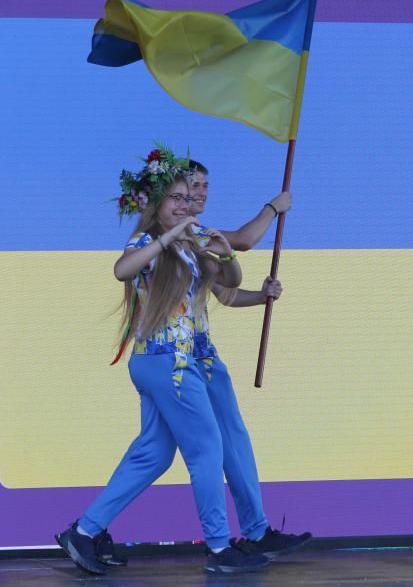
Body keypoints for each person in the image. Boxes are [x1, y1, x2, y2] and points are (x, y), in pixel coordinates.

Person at [55, 145, 271, 575]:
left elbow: (227, 286)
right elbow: (121, 270)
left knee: (152, 455)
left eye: (187, 199)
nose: (185, 204)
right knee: (207, 448)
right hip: (167, 364)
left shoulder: (188, 247)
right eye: (176, 198)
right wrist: (168, 237)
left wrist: (230, 260)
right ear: (156, 203)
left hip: (169, 363)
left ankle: (84, 531)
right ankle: (217, 545)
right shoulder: (147, 241)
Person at [187, 160, 313, 560]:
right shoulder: (178, 234)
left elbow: (223, 293)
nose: (202, 192)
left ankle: (256, 531)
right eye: (193, 185)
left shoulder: (197, 233)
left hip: (203, 355)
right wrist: (273, 208)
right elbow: (243, 240)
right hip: (173, 361)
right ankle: (90, 527)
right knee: (155, 454)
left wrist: (262, 298)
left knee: (232, 440)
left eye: (206, 184)